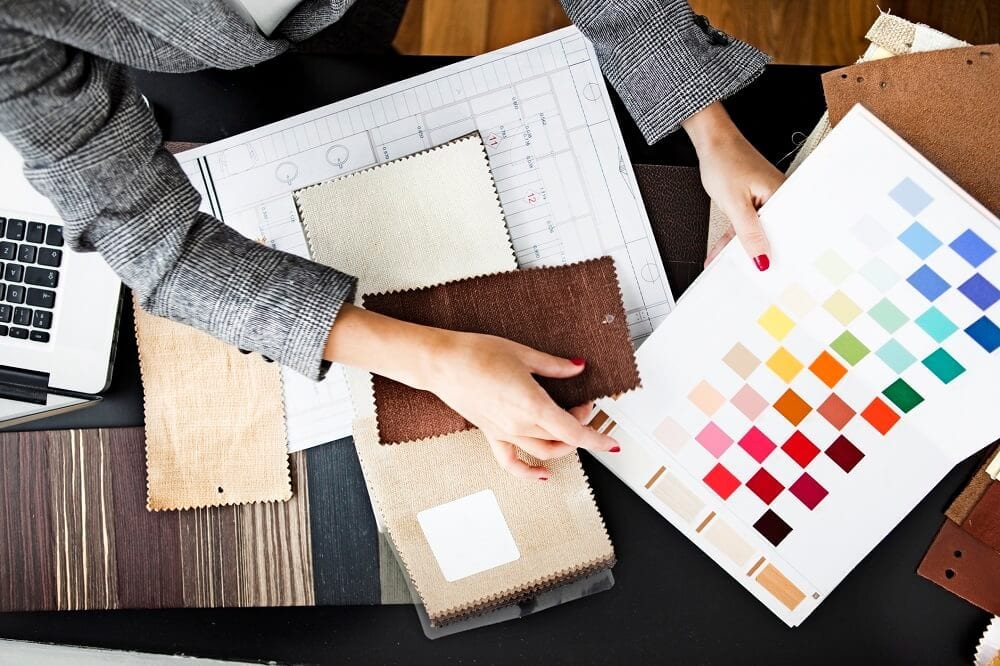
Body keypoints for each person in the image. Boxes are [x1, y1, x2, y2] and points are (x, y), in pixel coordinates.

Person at [0, 0, 783, 479]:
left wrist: (703, 120)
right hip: (207, 65)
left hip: (341, 19)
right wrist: (436, 358)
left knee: (358, 39)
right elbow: (151, 242)